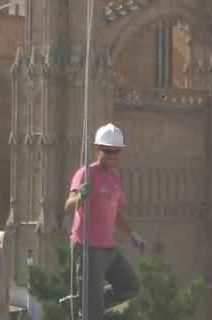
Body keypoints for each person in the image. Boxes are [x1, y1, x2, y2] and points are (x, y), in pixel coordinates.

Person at [63, 123, 146, 319]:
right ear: (96, 149)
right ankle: (87, 306)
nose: (112, 155)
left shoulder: (115, 177)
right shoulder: (86, 173)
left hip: (108, 248)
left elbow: (115, 212)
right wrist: (81, 196)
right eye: (107, 150)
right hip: (86, 247)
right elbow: (68, 208)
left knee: (130, 287)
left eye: (116, 151)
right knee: (93, 312)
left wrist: (132, 235)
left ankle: (82, 303)